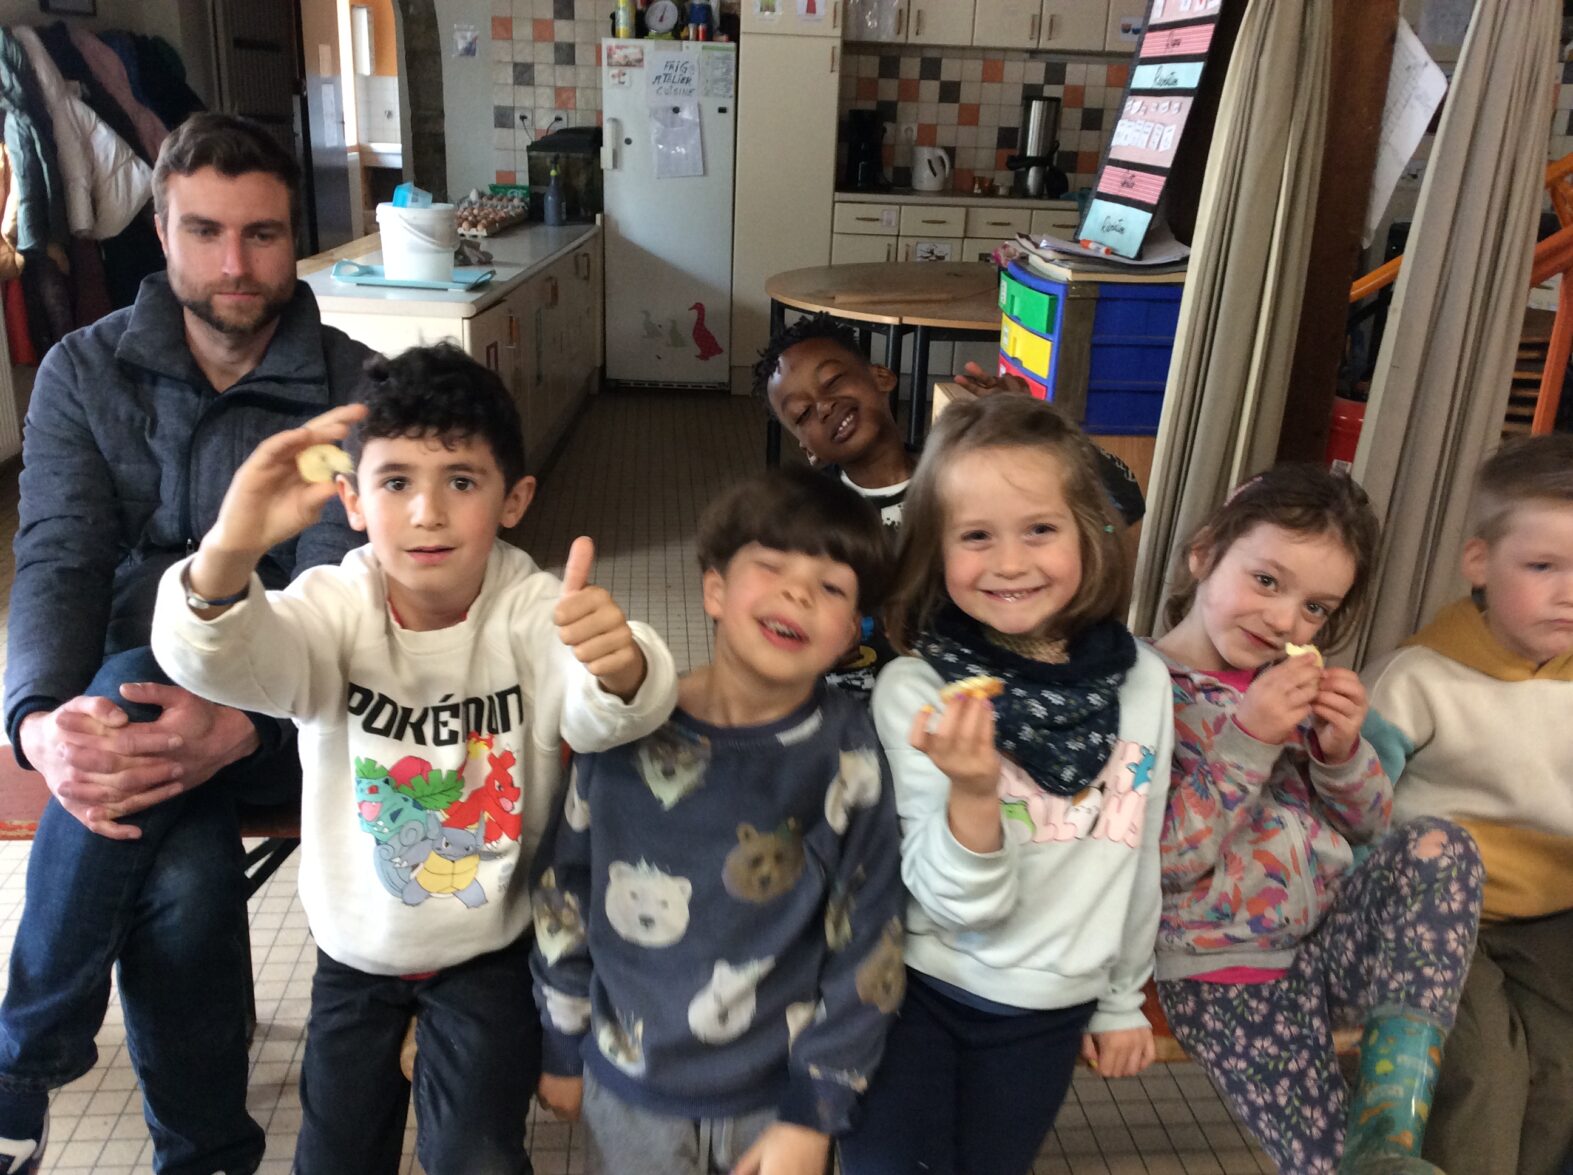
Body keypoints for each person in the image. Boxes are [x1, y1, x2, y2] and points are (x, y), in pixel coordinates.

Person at [149, 342, 679, 1174]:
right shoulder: (334, 603)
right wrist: (228, 549)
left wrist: (624, 663)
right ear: (353, 501)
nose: (427, 512)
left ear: (514, 499)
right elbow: (223, 658)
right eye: (396, 481)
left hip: (489, 951)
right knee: (333, 1155)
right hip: (355, 953)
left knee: (475, 1154)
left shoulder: (532, 606)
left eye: (461, 480)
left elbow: (604, 709)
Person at [0, 113, 374, 1175]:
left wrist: (244, 725)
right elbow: (60, 556)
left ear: (295, 238)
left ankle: (20, 1062)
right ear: (162, 233)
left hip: (291, 713)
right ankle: (205, 1154)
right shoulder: (83, 371)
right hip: (126, 724)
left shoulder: (355, 391)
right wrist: (38, 720)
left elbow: (336, 590)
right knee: (181, 865)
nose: (234, 263)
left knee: (135, 691)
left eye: (261, 234)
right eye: (205, 231)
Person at [530, 466, 905, 1175]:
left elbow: (869, 940)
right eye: (772, 566)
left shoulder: (849, 755)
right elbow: (565, 893)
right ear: (714, 590)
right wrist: (561, 1041)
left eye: (831, 587)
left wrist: (816, 1108)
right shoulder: (624, 730)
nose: (799, 592)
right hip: (626, 1081)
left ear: (850, 635)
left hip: (776, 1096)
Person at [837, 394, 1174, 1175]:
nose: (1011, 562)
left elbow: (1138, 852)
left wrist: (1122, 997)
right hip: (916, 990)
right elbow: (954, 905)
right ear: (934, 549)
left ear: (1088, 534)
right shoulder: (919, 693)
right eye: (976, 535)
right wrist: (973, 794)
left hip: (1050, 1012)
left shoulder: (1143, 683)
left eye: (1039, 529)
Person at [1152, 464, 1484, 1175]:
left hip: (1330, 942)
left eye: (1315, 607)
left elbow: (1369, 826)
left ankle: (1389, 1130)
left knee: (1439, 843)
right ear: (1203, 553)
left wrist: (1341, 752)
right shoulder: (1142, 688)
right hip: (1226, 969)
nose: (1285, 621)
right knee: (1327, 1162)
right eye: (1266, 580)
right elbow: (1164, 860)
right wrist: (1248, 737)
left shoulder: (1290, 687)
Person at [1364, 434, 1573, 1175]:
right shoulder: (1416, 678)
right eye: (1543, 566)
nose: (1568, 592)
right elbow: (1350, 811)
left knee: (1561, 1078)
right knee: (1481, 1076)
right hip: (1439, 921)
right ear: (1479, 563)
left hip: (1551, 916)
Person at [754, 313, 1144, 699]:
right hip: (877, 713)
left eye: (833, 381)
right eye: (803, 413)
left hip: (998, 695)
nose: (823, 406)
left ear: (881, 377)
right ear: (806, 448)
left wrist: (1028, 427)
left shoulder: (967, 476)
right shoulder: (809, 523)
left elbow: (1122, 501)